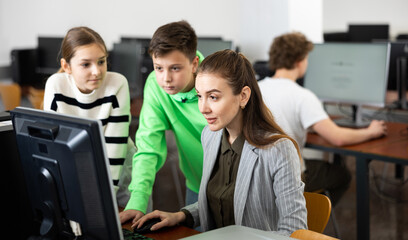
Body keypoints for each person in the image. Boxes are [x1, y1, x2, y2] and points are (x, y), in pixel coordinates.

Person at [134, 50, 307, 236]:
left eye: (213, 97)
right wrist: (180, 216)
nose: (203, 108)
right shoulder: (210, 135)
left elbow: (294, 229)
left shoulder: (278, 150)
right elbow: (217, 202)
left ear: (243, 96)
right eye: (199, 96)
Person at [258, 32, 387, 205]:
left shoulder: (255, 89)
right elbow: (338, 138)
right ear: (299, 60)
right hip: (289, 178)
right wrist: (371, 132)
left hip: (257, 177)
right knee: (342, 175)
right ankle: (309, 220)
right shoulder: (301, 96)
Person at [119, 20, 207, 224]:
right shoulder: (156, 86)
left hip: (238, 185)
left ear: (194, 63)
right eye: (158, 67)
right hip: (196, 184)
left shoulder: (217, 80)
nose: (165, 78)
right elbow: (149, 147)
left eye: (175, 68)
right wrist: (138, 200)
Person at [43, 26, 132, 207]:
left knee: (129, 226)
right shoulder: (55, 85)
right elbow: (53, 147)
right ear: (66, 66)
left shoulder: (117, 84)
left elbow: (114, 150)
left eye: (101, 61)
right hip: (78, 167)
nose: (97, 71)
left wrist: (105, 199)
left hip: (119, 169)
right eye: (86, 64)